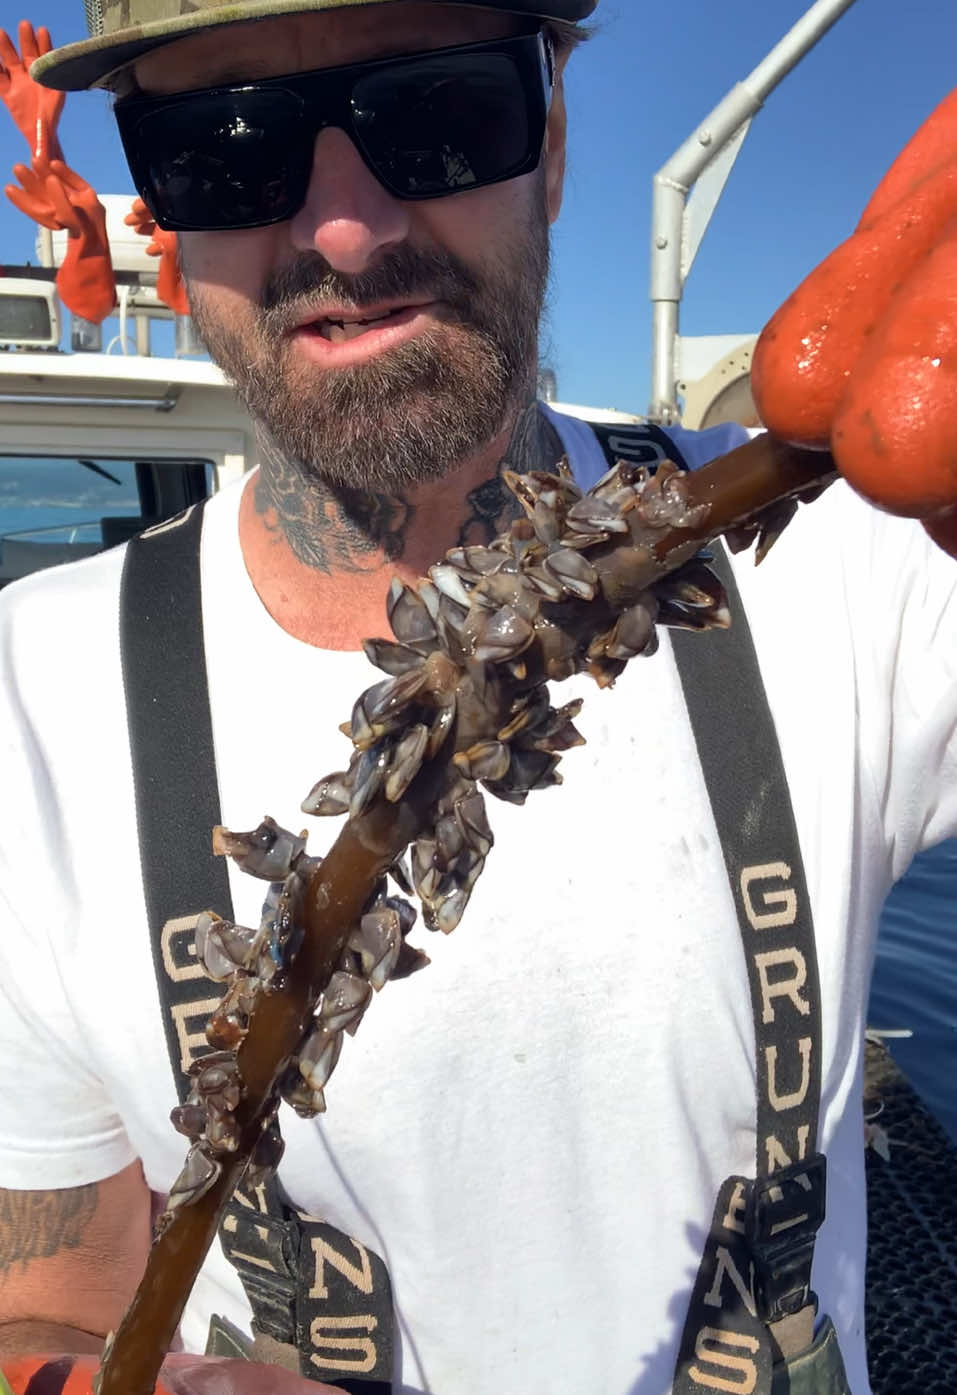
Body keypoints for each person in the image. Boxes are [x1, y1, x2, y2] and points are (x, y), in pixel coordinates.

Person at [0, 2, 954, 1393]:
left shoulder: (872, 561)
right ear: (164, 205)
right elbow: (47, 1301)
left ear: (551, 140)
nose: (345, 230)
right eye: (224, 141)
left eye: (438, 110)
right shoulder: (28, 695)